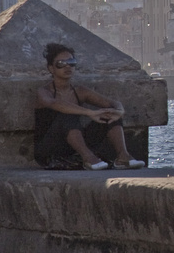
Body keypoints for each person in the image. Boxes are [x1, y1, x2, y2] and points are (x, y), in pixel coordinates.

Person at [35, 42, 145, 170]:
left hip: (74, 145)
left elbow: (112, 103)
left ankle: (123, 157)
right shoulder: (44, 92)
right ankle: (89, 158)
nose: (67, 67)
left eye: (71, 62)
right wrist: (89, 112)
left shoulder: (80, 91)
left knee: (109, 114)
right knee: (68, 117)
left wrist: (119, 111)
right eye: (61, 64)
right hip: (49, 149)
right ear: (51, 68)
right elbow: (54, 103)